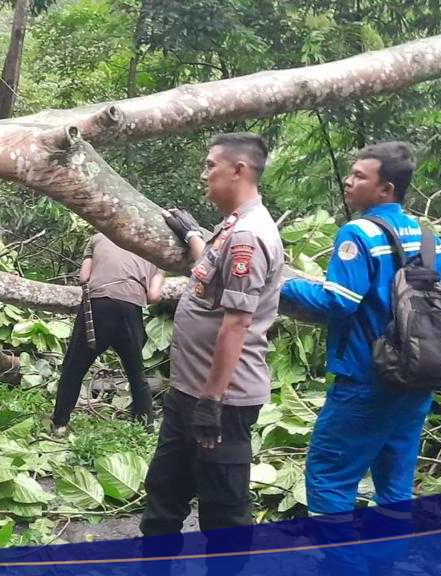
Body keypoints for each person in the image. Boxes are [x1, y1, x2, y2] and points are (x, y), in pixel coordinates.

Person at [280, 141, 441, 574]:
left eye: (359, 176)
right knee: (395, 482)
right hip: (417, 378)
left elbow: (339, 301)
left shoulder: (358, 233)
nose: (349, 182)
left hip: (367, 378)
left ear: (385, 189)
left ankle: (345, 567)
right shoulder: (426, 235)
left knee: (329, 478)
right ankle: (384, 564)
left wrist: (286, 286)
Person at [139, 133, 285, 571]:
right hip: (189, 394)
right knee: (163, 495)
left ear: (238, 170)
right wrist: (192, 236)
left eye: (210, 165)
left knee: (222, 513)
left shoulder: (249, 237)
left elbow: (236, 323)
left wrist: (212, 401)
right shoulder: (231, 227)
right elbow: (212, 278)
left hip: (220, 402)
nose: (203, 174)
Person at [51, 233, 165, 434]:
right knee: (136, 373)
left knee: (73, 368)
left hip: (97, 306)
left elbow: (84, 278)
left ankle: (60, 423)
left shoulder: (97, 238)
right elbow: (154, 296)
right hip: (130, 310)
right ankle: (144, 428)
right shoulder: (153, 250)